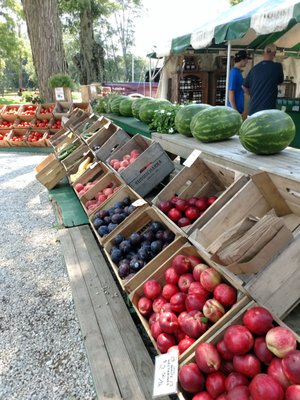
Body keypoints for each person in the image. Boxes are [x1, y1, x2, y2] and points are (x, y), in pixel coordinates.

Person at [243, 43, 284, 115]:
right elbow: (280, 81)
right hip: (268, 111)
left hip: (253, 110)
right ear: (274, 54)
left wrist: (253, 95)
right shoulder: (277, 67)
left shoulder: (254, 69)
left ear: (263, 53)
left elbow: (244, 86)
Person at [228, 50, 251, 116]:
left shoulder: (238, 72)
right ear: (242, 59)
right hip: (234, 111)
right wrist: (235, 111)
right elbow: (231, 93)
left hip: (238, 109)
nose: (247, 62)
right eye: (246, 59)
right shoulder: (234, 73)